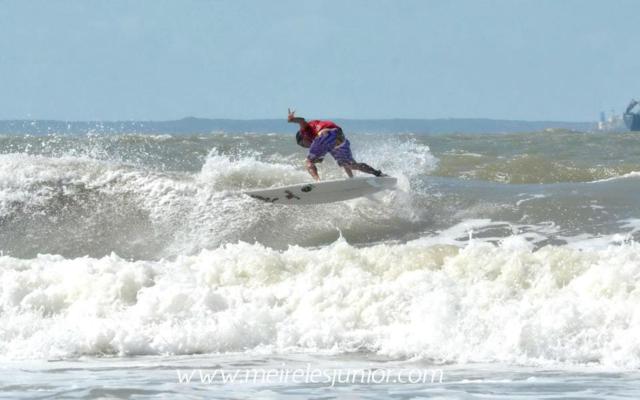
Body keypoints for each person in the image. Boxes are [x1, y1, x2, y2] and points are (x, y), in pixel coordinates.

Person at [287, 109, 384, 181]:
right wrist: (352, 179)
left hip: (325, 134)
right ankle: (377, 173)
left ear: (302, 138)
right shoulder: (324, 146)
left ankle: (318, 182)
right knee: (350, 164)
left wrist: (292, 119)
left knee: (309, 162)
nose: (307, 146)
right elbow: (345, 164)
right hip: (339, 137)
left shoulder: (305, 131)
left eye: (303, 144)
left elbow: (302, 120)